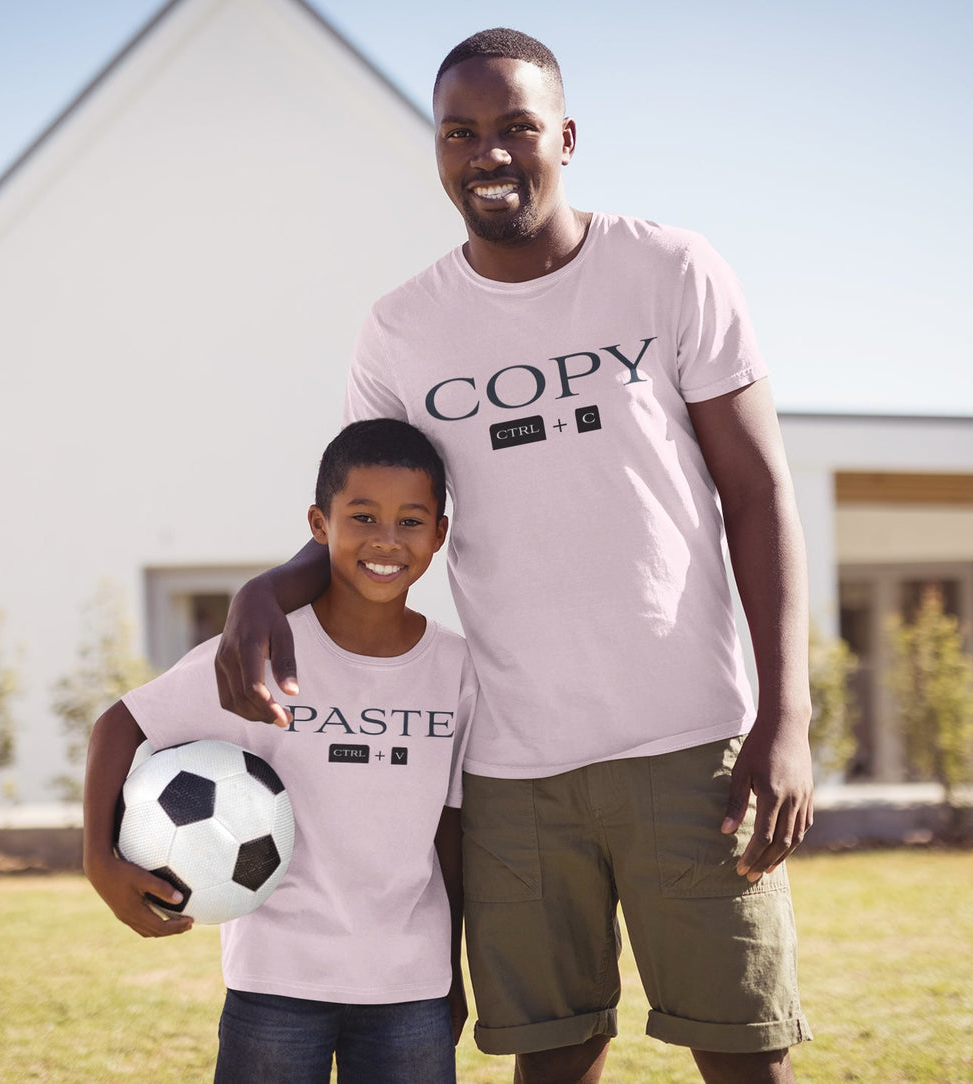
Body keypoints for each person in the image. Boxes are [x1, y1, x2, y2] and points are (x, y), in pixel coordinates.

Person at [214, 27, 814, 1084]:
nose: (488, 154)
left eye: (514, 128)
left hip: (689, 746)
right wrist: (270, 586)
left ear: (565, 137)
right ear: (437, 151)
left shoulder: (669, 269)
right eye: (460, 133)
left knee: (742, 1053)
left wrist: (787, 716)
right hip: (510, 766)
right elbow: (370, 527)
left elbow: (758, 494)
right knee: (550, 1055)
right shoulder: (401, 329)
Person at [83, 419, 475, 1084]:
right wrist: (98, 857)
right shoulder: (258, 652)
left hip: (408, 984)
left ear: (439, 533)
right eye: (362, 516)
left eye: (411, 521)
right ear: (319, 525)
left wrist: (453, 967)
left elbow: (451, 830)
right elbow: (119, 725)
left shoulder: (457, 670)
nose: (385, 540)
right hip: (275, 980)